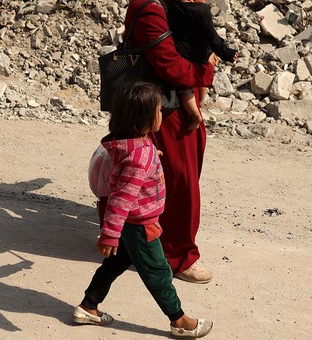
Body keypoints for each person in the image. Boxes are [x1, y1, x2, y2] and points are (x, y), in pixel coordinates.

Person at [74, 81, 214, 338]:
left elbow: (134, 164)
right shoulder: (138, 158)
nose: (162, 115)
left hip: (134, 223)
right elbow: (120, 200)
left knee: (113, 265)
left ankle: (88, 306)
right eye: (159, 112)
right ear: (145, 120)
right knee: (158, 272)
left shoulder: (135, 145)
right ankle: (179, 320)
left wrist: (151, 153)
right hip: (139, 224)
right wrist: (109, 234)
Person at [125, 0, 215, 284]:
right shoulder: (148, 8)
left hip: (171, 102)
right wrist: (204, 68)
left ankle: (142, 240)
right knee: (180, 182)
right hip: (165, 107)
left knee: (159, 179)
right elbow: (169, 65)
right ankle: (179, 256)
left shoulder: (161, 0)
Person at [168, 0, 238, 131]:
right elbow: (211, 36)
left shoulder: (172, 7)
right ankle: (197, 111)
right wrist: (226, 52)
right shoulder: (202, 10)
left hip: (180, 57)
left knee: (184, 89)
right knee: (199, 86)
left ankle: (194, 110)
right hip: (199, 58)